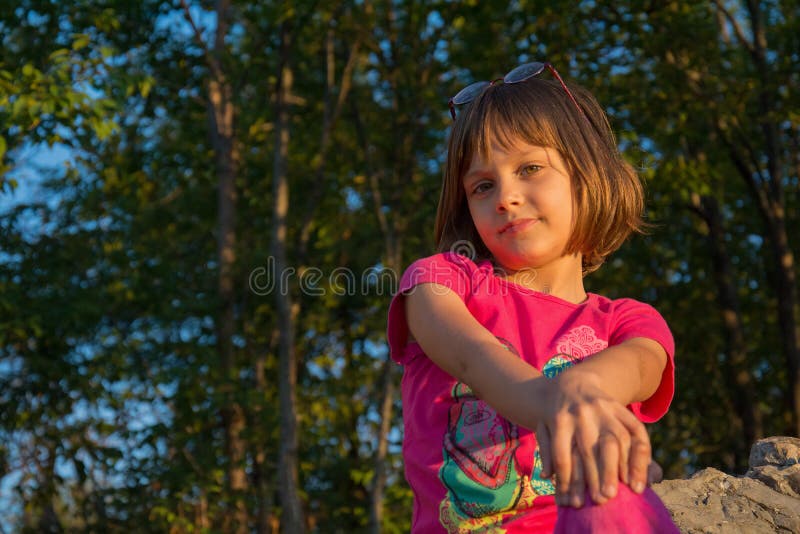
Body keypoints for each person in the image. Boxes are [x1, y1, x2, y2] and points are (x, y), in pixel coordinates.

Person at [386, 62, 679, 532]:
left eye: (530, 168)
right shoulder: (439, 283)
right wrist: (558, 401)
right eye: (483, 185)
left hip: (585, 518)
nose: (506, 196)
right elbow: (472, 356)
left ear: (588, 176)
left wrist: (587, 389)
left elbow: (640, 366)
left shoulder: (627, 322)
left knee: (609, 492)